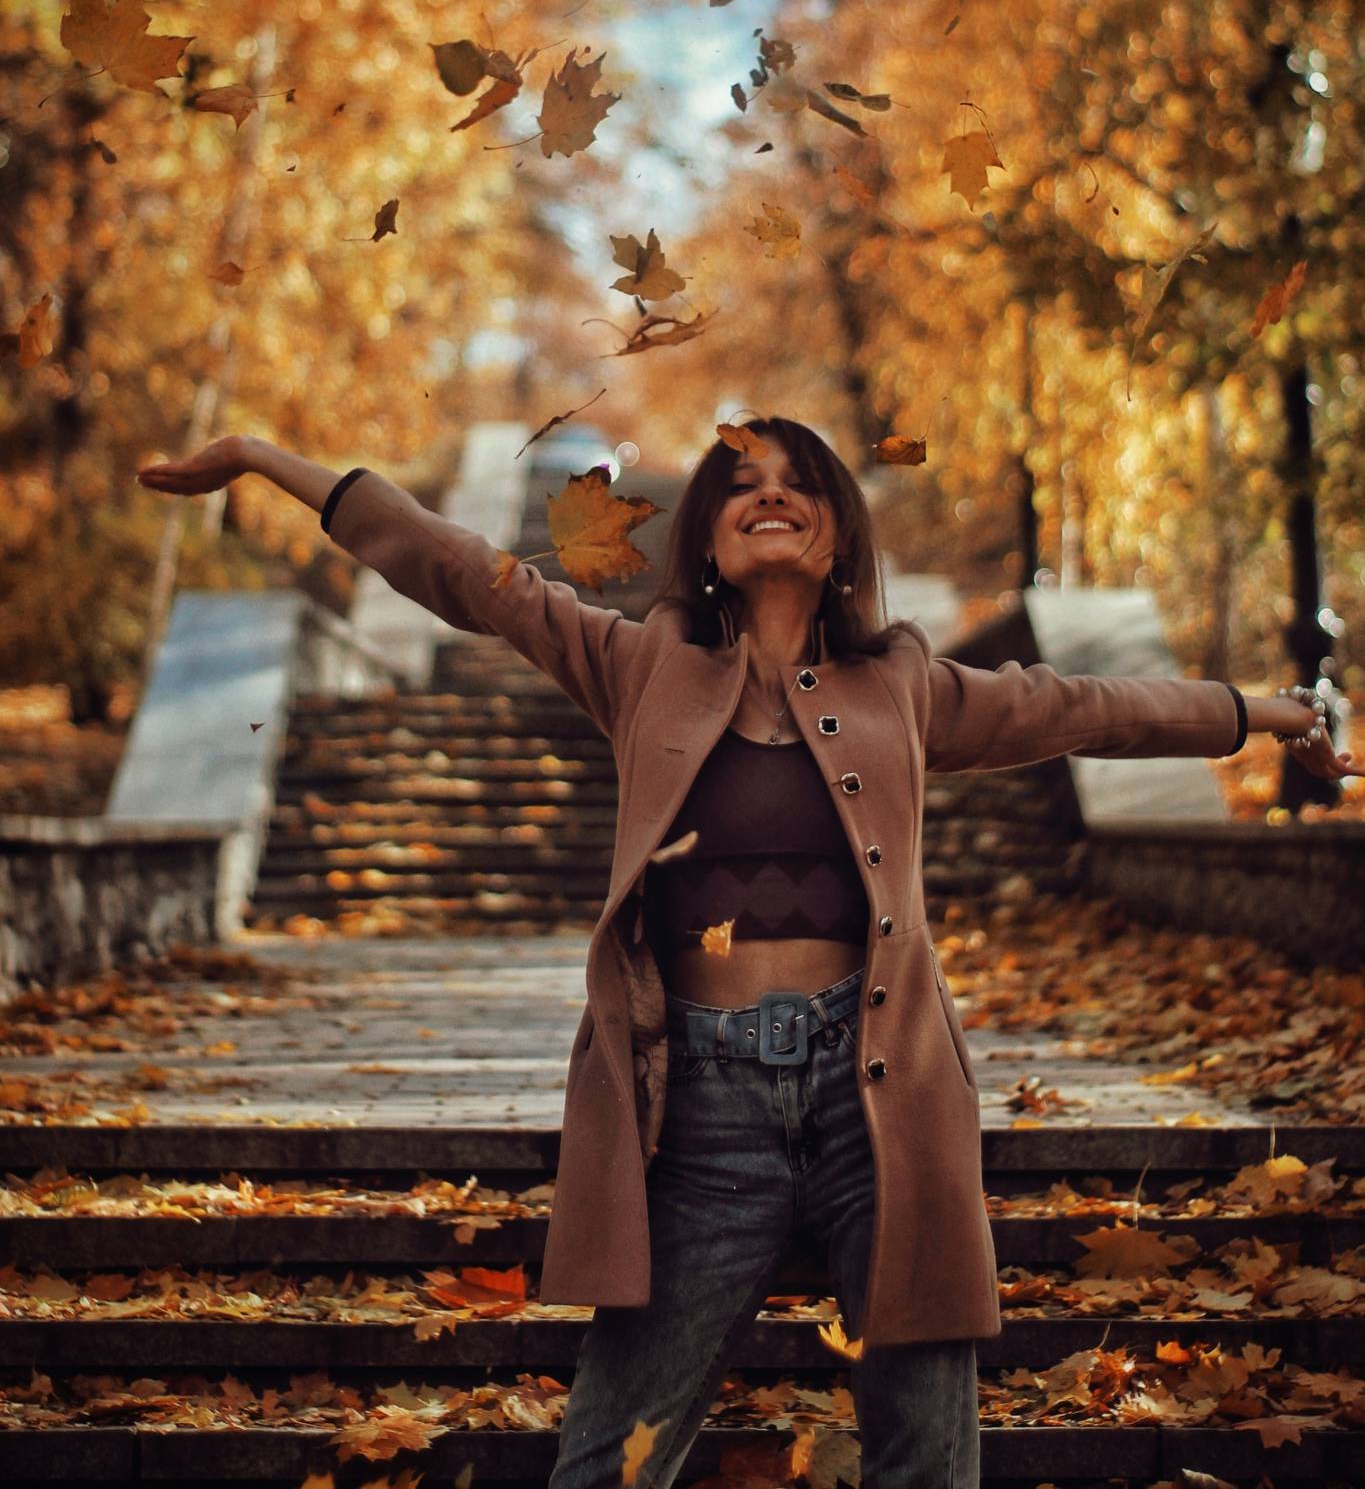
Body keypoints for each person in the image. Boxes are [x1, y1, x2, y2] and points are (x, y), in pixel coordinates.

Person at [136, 418, 1351, 1489]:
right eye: (738, 482)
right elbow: (464, 571)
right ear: (706, 540)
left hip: (881, 1097)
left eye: (799, 481)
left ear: (837, 535)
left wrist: (1277, 713)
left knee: (926, 1455)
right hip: (699, 1115)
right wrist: (259, 457)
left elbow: (1090, 705)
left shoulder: (906, 685)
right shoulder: (639, 664)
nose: (768, 493)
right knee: (609, 1453)